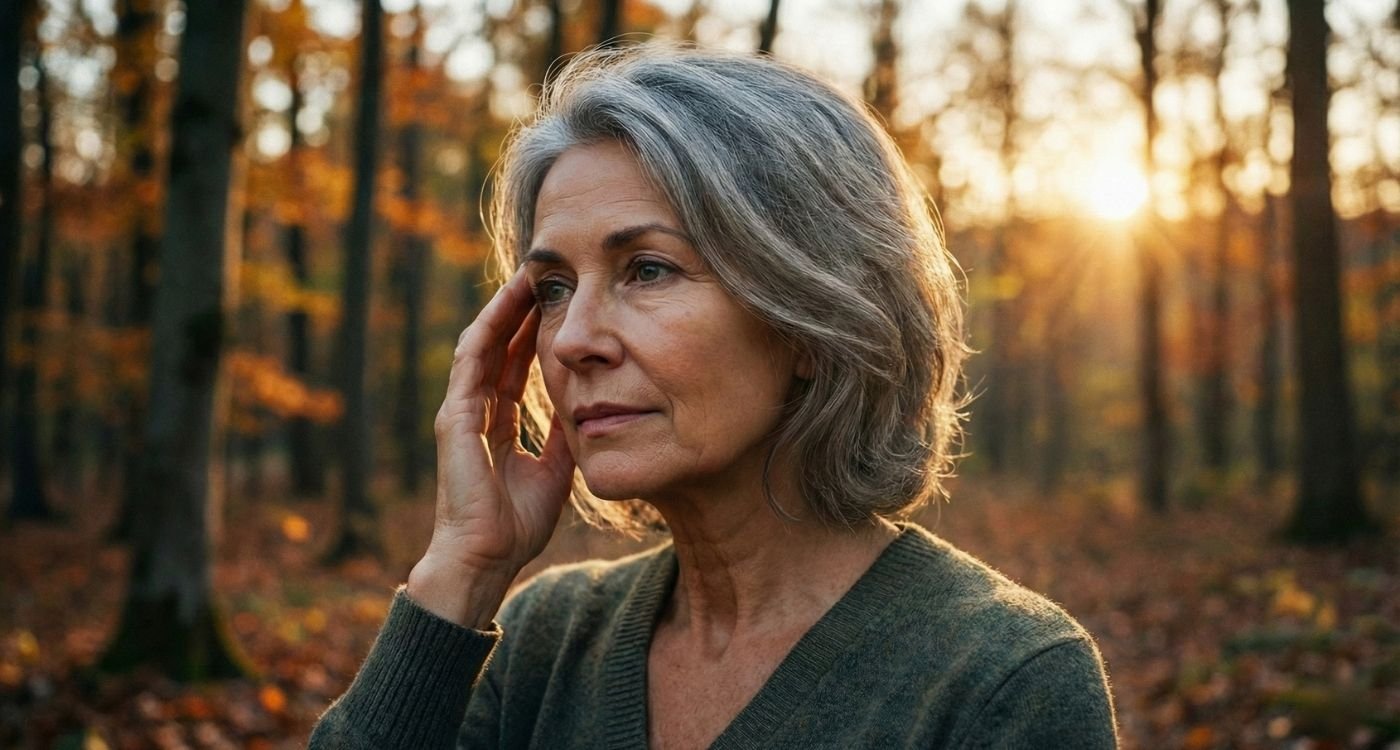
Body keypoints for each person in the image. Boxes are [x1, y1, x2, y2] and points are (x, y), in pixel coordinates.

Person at [310, 44, 1118, 749]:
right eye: (554, 287)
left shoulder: (1003, 679)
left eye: (648, 270)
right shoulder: (539, 643)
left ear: (812, 318)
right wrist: (462, 571)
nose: (571, 339)